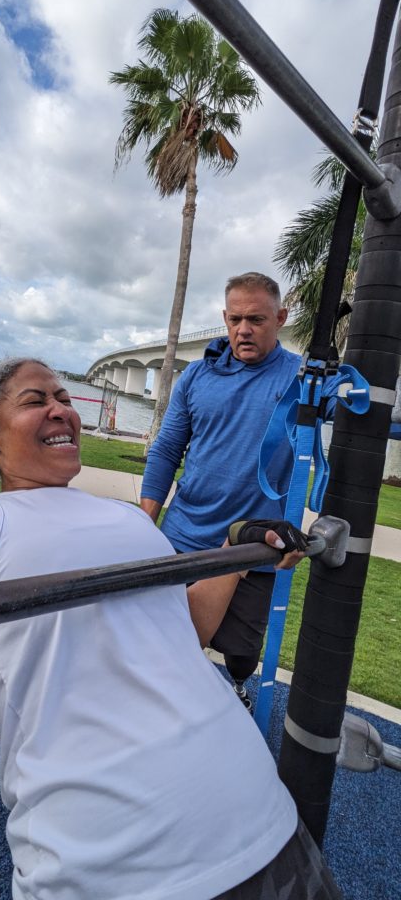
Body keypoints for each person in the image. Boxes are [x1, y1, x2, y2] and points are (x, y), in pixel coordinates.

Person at [0, 358, 342, 900]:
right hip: (116, 867)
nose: (61, 410)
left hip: (268, 823)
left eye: (66, 398)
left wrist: (235, 552)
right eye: (35, 400)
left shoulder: (128, 517)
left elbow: (180, 633)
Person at [141, 272, 335, 712]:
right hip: (183, 534)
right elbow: (168, 449)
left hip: (254, 544)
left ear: (281, 318)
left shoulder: (304, 379)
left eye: (256, 319)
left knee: (241, 650)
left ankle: (237, 684)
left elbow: (356, 412)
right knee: (164, 633)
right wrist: (143, 521)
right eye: (234, 319)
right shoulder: (197, 376)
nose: (243, 329)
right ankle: (166, 705)